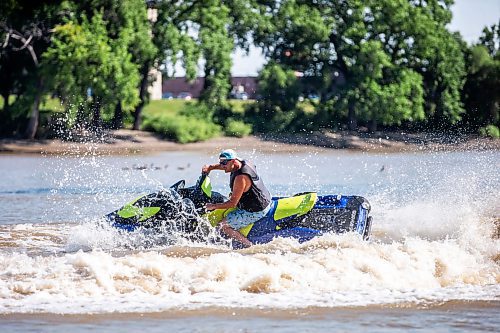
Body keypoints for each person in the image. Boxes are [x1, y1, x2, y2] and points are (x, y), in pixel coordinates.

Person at [202, 149, 271, 248]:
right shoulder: (242, 162)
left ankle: (249, 246)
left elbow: (232, 204)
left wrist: (212, 206)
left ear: (233, 161)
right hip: (265, 197)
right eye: (220, 162)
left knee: (223, 226)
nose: (222, 165)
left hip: (255, 211)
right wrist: (211, 167)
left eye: (224, 163)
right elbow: (225, 165)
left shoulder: (241, 178)